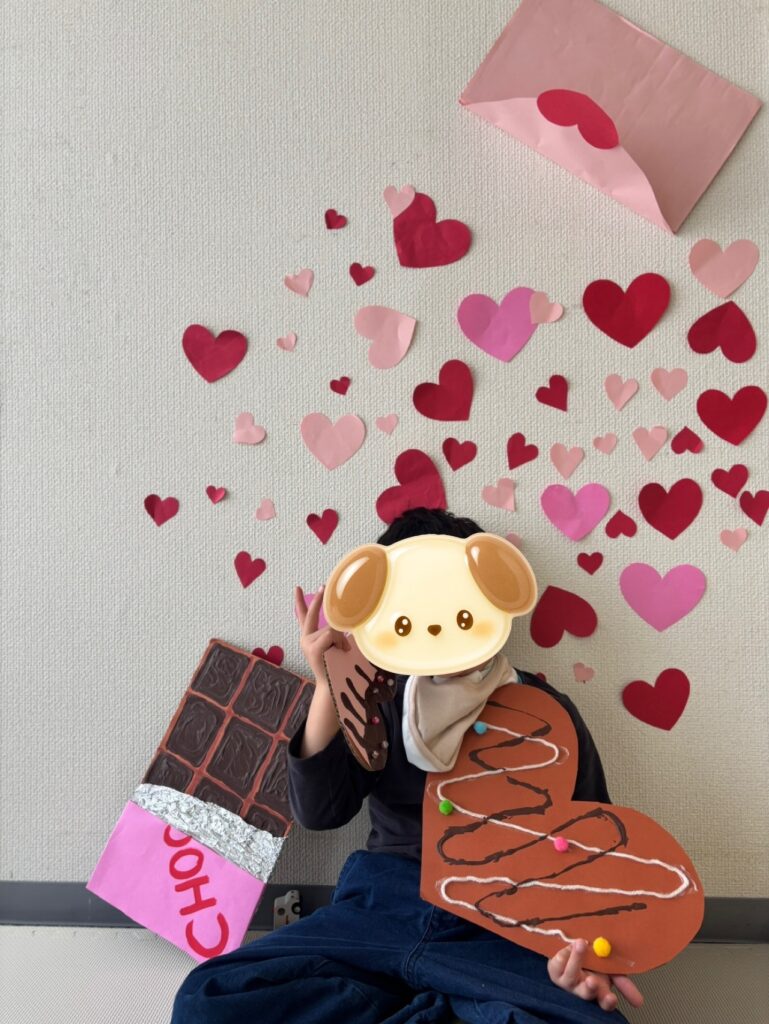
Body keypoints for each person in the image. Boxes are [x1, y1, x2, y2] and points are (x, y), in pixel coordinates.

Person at [170, 508, 644, 1024]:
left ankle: (434, 1003)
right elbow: (320, 811)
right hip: (382, 906)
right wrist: (329, 685)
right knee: (206, 999)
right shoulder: (378, 701)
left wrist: (581, 956)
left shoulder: (546, 711)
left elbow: (593, 849)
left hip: (503, 921)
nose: (436, 628)